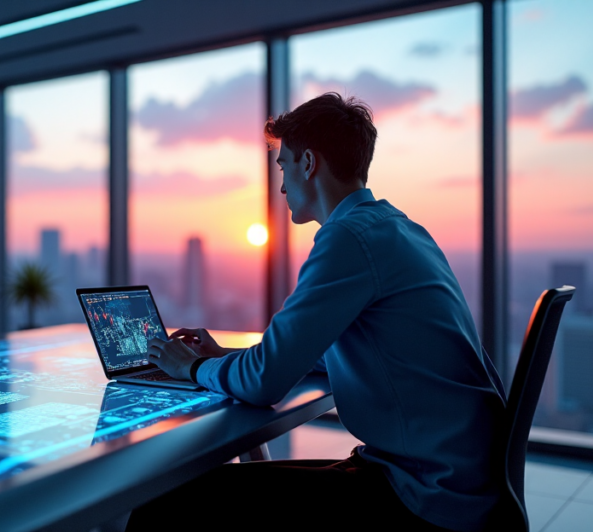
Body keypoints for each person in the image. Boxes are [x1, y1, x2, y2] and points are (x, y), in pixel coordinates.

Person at [132, 93, 506, 531]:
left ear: (308, 163)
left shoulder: (349, 239)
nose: (283, 185)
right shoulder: (399, 228)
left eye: (284, 164)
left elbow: (265, 381)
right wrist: (223, 360)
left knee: (164, 506)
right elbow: (328, 352)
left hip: (423, 495)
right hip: (449, 477)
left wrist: (194, 369)